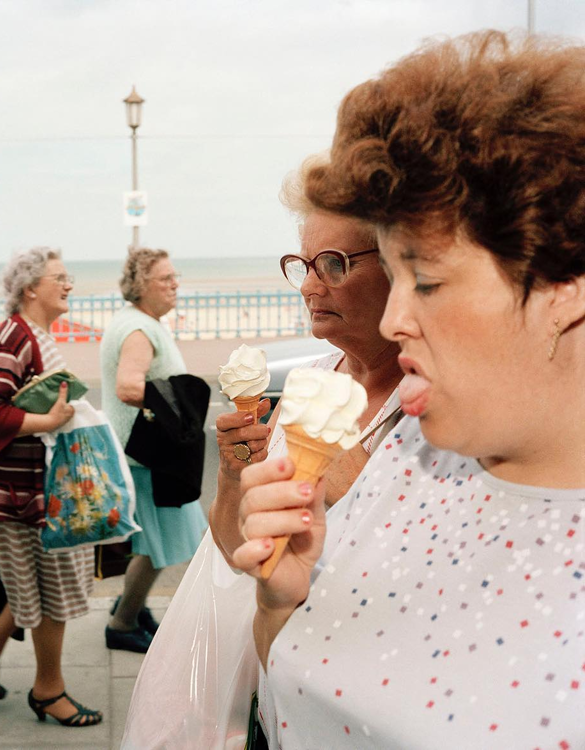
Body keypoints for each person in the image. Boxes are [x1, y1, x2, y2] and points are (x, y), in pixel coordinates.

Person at [233, 30, 585, 748]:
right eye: (393, 277)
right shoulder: (401, 460)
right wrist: (281, 600)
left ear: (564, 290)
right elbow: (292, 697)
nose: (395, 320)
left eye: (424, 279)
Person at [121, 161, 405, 748]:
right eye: (302, 265)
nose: (308, 286)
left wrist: (348, 481)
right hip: (281, 698)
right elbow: (235, 550)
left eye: (333, 264)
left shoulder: (431, 406)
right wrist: (233, 476)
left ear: (402, 266)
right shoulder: (309, 385)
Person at [0, 246, 102, 727]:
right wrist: (47, 419)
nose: (69, 285)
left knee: (33, 589)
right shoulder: (12, 338)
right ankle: (48, 689)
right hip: (22, 498)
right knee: (50, 597)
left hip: (33, 493)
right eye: (60, 277)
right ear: (31, 287)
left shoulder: (31, 334)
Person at [100, 248, 208, 653]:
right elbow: (129, 387)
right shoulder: (139, 331)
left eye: (175, 276)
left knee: (157, 543)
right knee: (162, 548)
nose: (175, 283)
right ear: (142, 286)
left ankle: (133, 605)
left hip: (146, 456)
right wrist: (178, 405)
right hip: (149, 458)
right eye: (165, 278)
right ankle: (122, 622)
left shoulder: (137, 322)